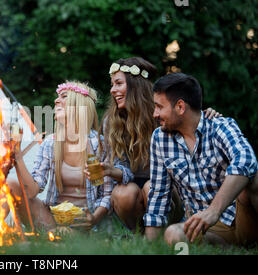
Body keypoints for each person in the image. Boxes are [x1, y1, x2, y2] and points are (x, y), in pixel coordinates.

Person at [86, 57, 221, 232]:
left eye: (118, 83)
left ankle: (163, 231)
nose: (113, 90)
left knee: (152, 188)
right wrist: (112, 171)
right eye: (112, 84)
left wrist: (207, 116)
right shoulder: (112, 122)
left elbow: (190, 123)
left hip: (169, 188)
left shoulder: (163, 116)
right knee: (122, 193)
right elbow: (123, 168)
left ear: (136, 86)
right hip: (132, 186)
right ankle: (141, 237)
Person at [144, 72, 258, 246]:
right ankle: (228, 248)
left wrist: (213, 211)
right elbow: (158, 195)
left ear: (180, 107)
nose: (154, 114)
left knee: (255, 178)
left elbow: (246, 159)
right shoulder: (160, 138)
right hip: (204, 229)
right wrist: (148, 247)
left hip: (244, 219)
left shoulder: (220, 126)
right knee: (174, 234)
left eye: (159, 107)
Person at [6, 81, 111, 232]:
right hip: (53, 218)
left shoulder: (99, 144)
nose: (56, 100)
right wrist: (18, 157)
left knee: (72, 232)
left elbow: (107, 195)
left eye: (64, 96)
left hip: (86, 220)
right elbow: (32, 191)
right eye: (57, 97)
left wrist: (93, 219)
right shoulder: (50, 143)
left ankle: (68, 235)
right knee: (11, 184)